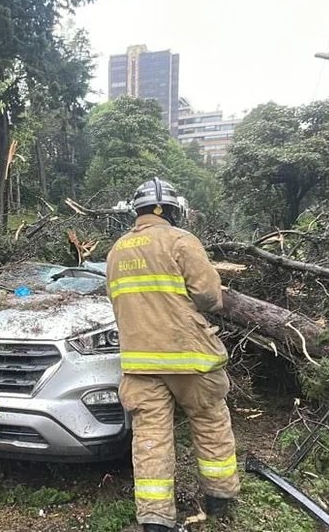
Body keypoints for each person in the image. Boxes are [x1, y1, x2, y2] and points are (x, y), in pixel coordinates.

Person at [106, 178, 239, 532]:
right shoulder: (181, 241)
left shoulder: (117, 250)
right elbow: (210, 296)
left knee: (150, 438)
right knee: (210, 420)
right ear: (171, 211)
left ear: (138, 212)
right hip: (189, 356)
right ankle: (220, 498)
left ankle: (155, 519)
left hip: (138, 361)